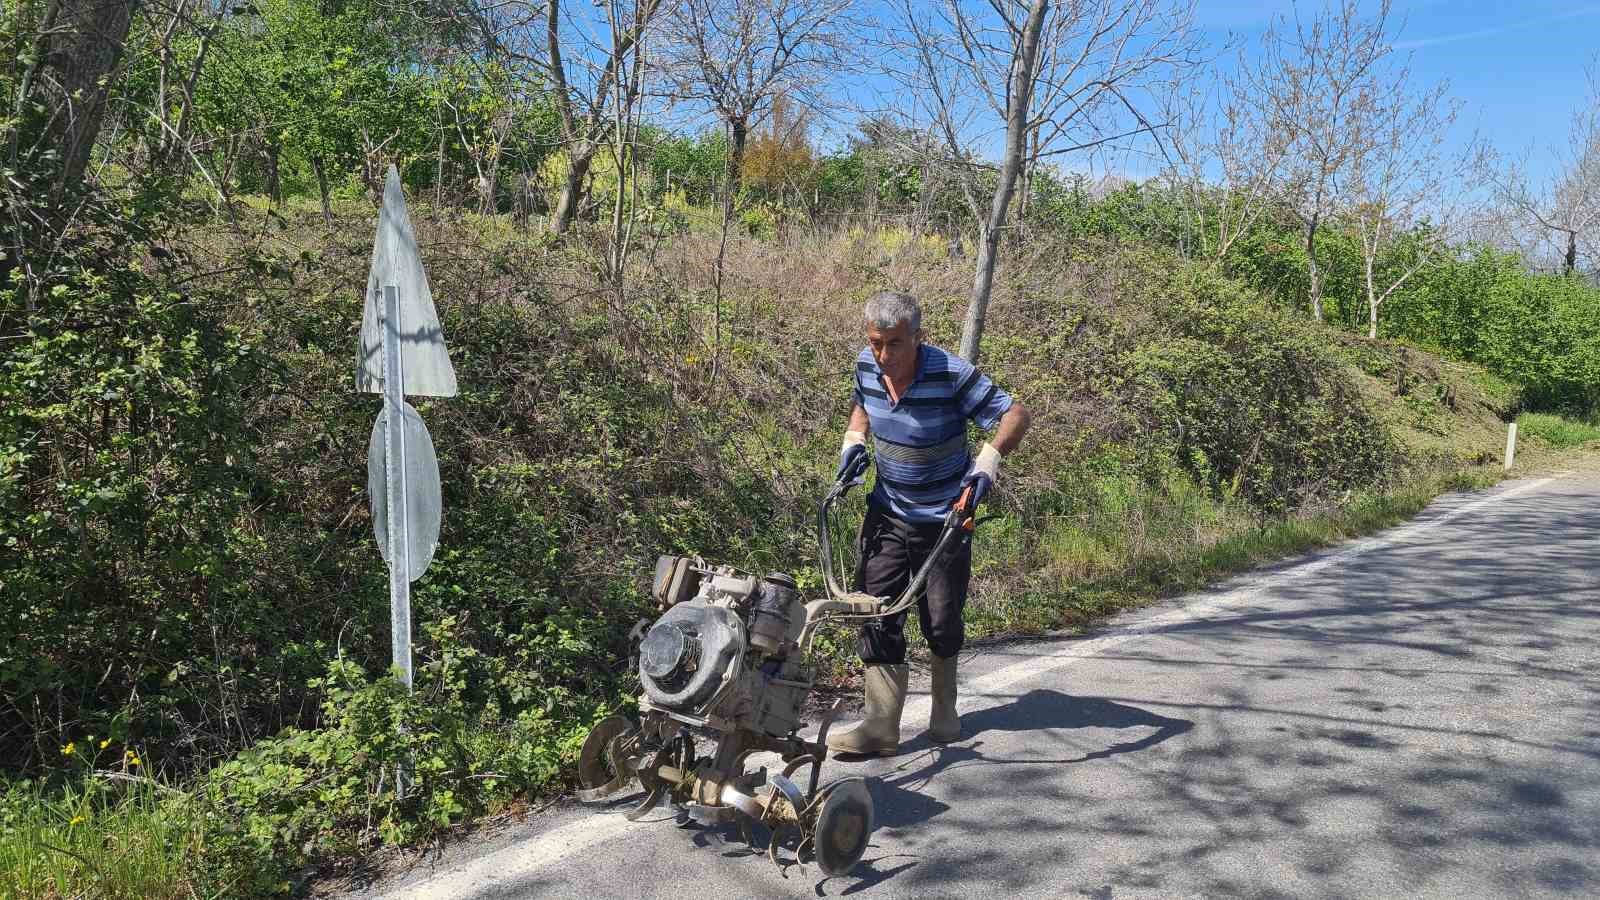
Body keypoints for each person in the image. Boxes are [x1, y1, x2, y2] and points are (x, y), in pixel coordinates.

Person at [826, 291, 1031, 756]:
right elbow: (862, 404)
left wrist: (987, 463)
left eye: (895, 344)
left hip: (945, 517)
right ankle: (881, 725)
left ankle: (944, 707)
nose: (883, 355)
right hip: (888, 511)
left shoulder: (950, 374)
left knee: (941, 619)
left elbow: (1015, 414)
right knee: (874, 609)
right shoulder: (866, 365)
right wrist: (854, 439)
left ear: (919, 337)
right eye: (876, 342)